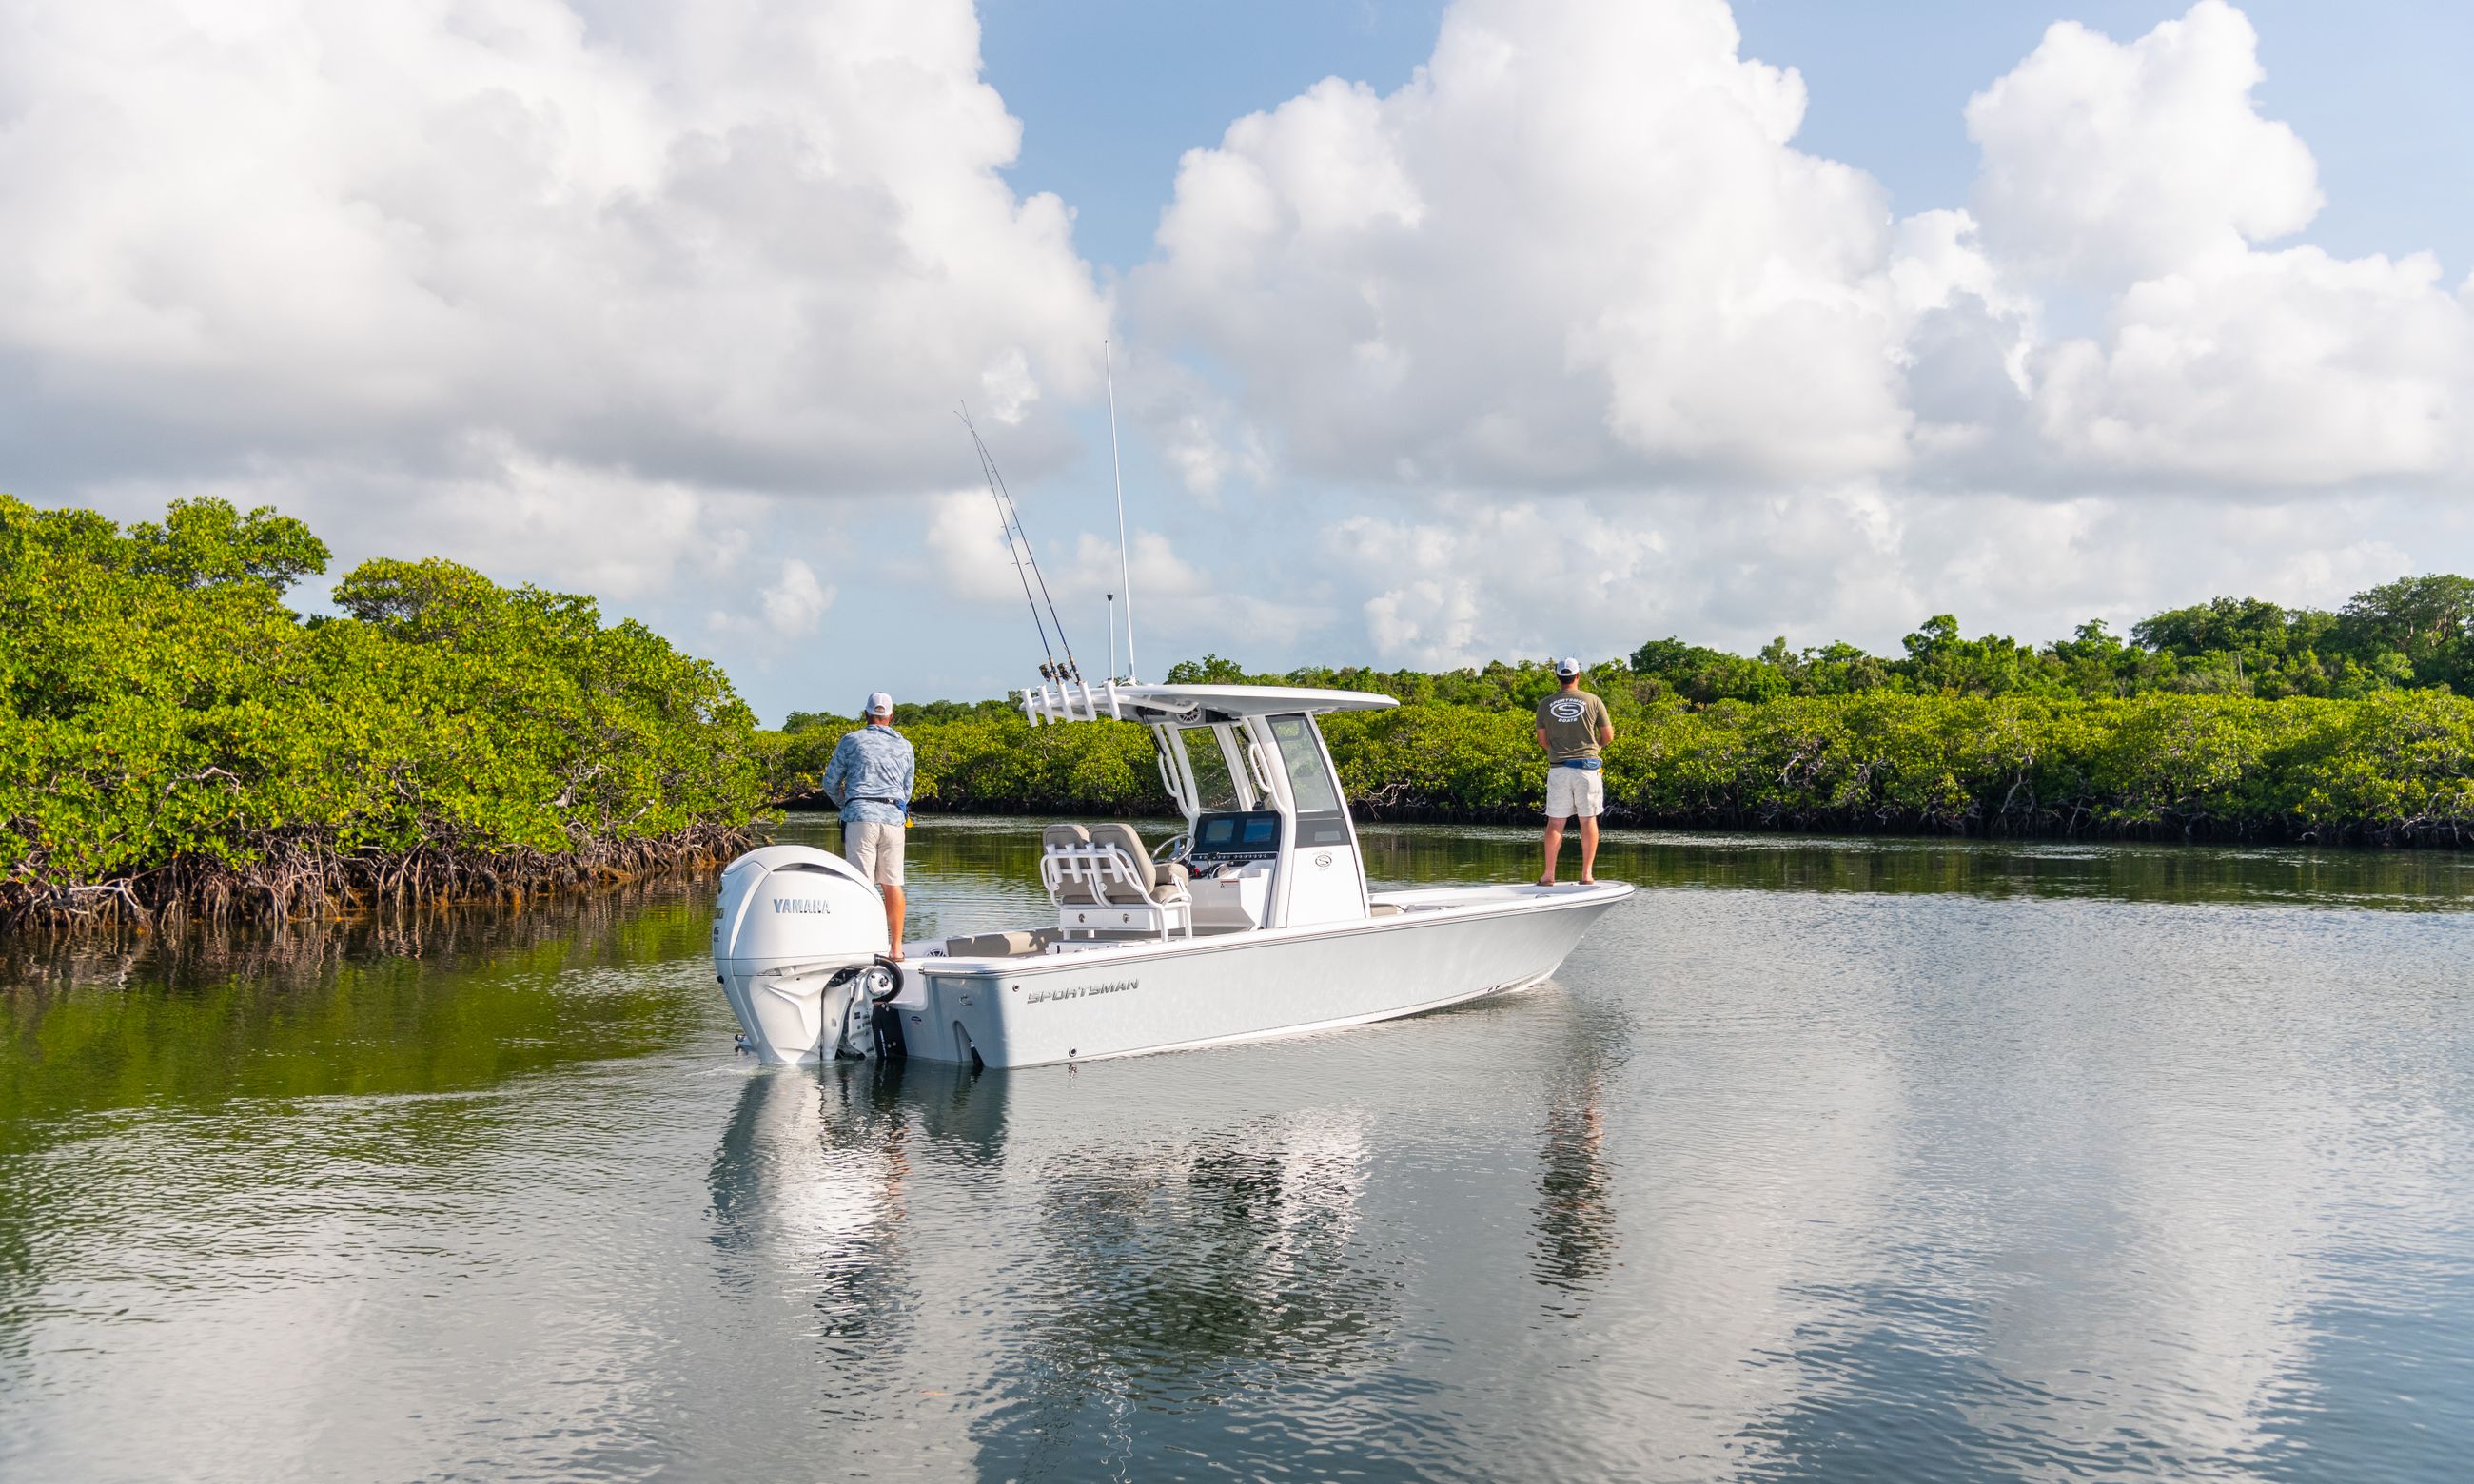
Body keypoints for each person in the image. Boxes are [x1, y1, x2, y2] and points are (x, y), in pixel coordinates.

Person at [818, 692, 916, 959]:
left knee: (861, 884)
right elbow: (906, 791)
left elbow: (829, 782)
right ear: (891, 717)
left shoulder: (851, 741)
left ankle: (864, 944)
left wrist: (846, 804)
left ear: (866, 715)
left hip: (861, 816)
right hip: (894, 818)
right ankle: (896, 949)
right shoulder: (905, 745)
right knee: (893, 884)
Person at [1534, 657, 1613, 886]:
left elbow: (1542, 741)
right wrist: (1594, 749)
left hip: (1558, 769)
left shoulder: (1544, 704)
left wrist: (1558, 752)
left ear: (1558, 677)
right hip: (1587, 770)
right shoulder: (1594, 700)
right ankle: (1586, 875)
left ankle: (1549, 875)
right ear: (1578, 676)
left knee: (1555, 822)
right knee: (1588, 820)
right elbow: (1608, 736)